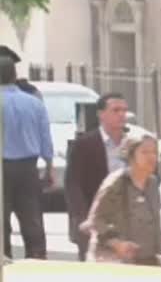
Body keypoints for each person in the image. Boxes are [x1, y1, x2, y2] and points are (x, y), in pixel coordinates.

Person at [81, 129, 161, 267]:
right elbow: (93, 222)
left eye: (154, 152)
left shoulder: (152, 184)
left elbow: (154, 227)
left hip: (145, 259)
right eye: (145, 152)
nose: (151, 157)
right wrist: (117, 244)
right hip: (114, 262)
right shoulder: (117, 182)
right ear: (130, 156)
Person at [0, 55, 53, 259]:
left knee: (1, 221)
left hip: (2, 168)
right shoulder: (34, 103)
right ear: (15, 76)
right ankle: (36, 259)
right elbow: (45, 137)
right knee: (32, 219)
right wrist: (48, 166)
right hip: (28, 167)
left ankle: (4, 260)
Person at [66, 93, 129, 261]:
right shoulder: (84, 144)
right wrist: (82, 218)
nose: (122, 115)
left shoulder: (132, 144)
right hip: (95, 219)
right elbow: (73, 185)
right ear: (101, 114)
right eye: (116, 110)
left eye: (124, 110)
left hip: (126, 220)